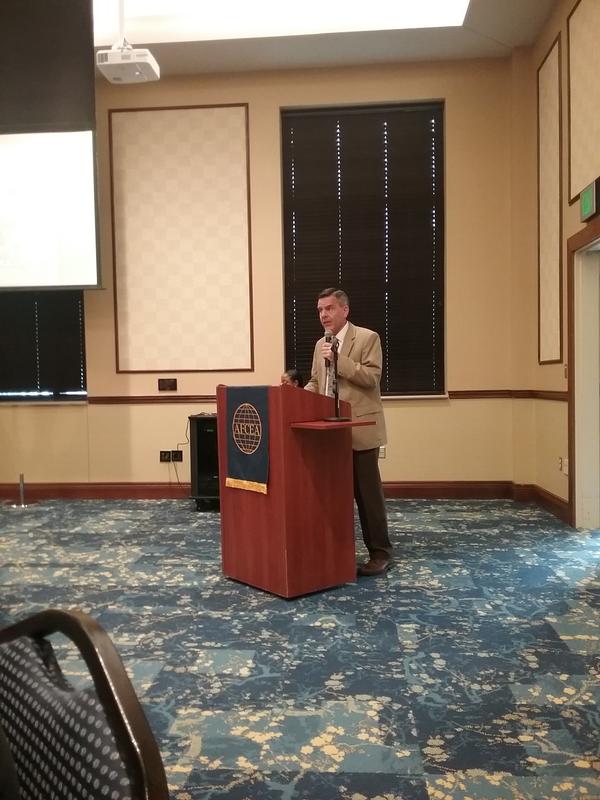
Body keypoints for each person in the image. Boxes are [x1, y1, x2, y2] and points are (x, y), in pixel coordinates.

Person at [304, 287, 392, 577]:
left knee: (367, 497)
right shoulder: (320, 344)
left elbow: (371, 378)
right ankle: (335, 550)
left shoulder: (368, 338)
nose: (324, 315)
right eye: (320, 310)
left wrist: (338, 362)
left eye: (329, 308)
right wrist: (292, 398)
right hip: (328, 432)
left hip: (359, 430)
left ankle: (380, 553)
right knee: (331, 495)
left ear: (345, 310)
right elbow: (317, 382)